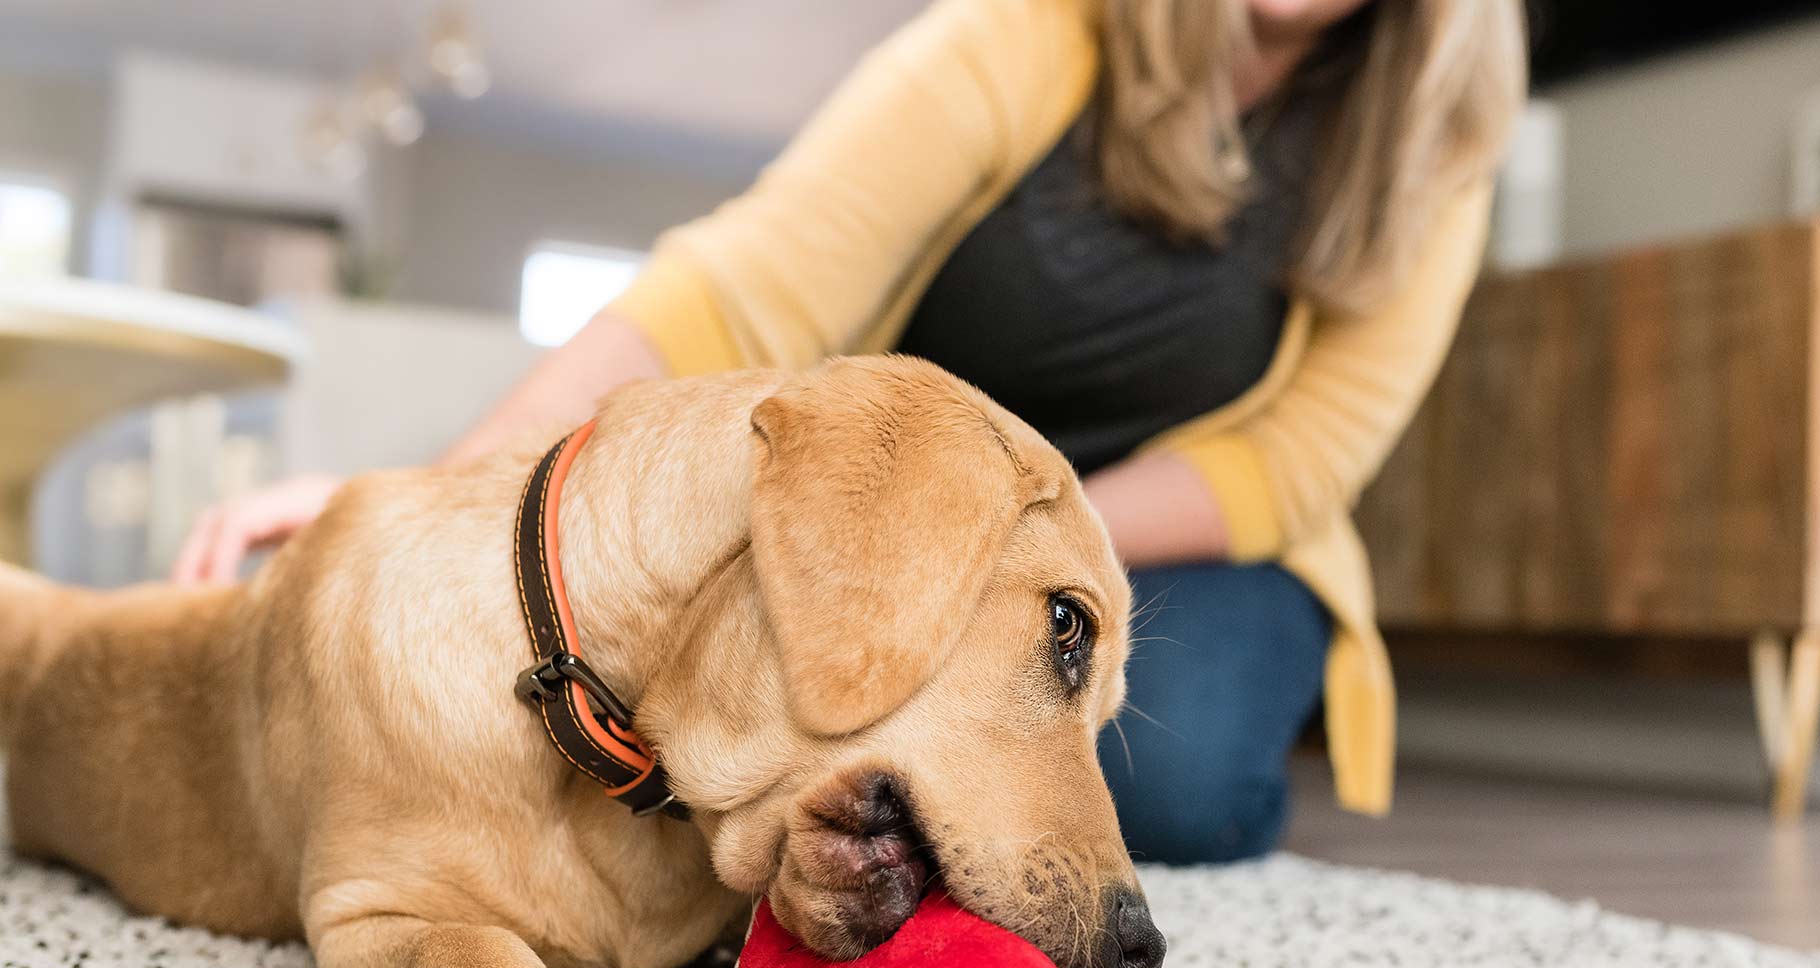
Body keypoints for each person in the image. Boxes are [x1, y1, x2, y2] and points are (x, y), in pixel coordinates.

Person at [175, 0, 1525, 864]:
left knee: (1166, 787)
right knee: (808, 684)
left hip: (1189, 543)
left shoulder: (1438, 138)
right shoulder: (1031, 34)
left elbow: (1298, 458)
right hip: (907, 505)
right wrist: (434, 496)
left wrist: (1020, 546)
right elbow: (742, 283)